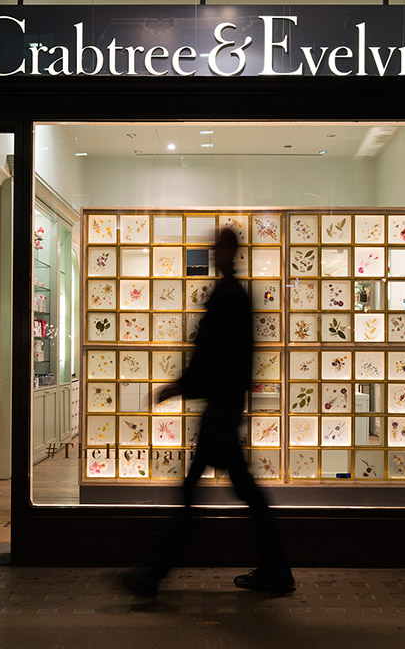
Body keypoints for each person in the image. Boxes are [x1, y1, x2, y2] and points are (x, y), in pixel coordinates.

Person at [124, 227, 295, 598]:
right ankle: (276, 569)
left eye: (219, 247)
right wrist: (190, 387)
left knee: (199, 493)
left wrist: (180, 386)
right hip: (224, 408)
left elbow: (215, 356)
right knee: (236, 492)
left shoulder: (228, 295)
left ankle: (153, 572)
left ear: (231, 251)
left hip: (221, 410)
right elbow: (226, 356)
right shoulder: (233, 293)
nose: (214, 253)